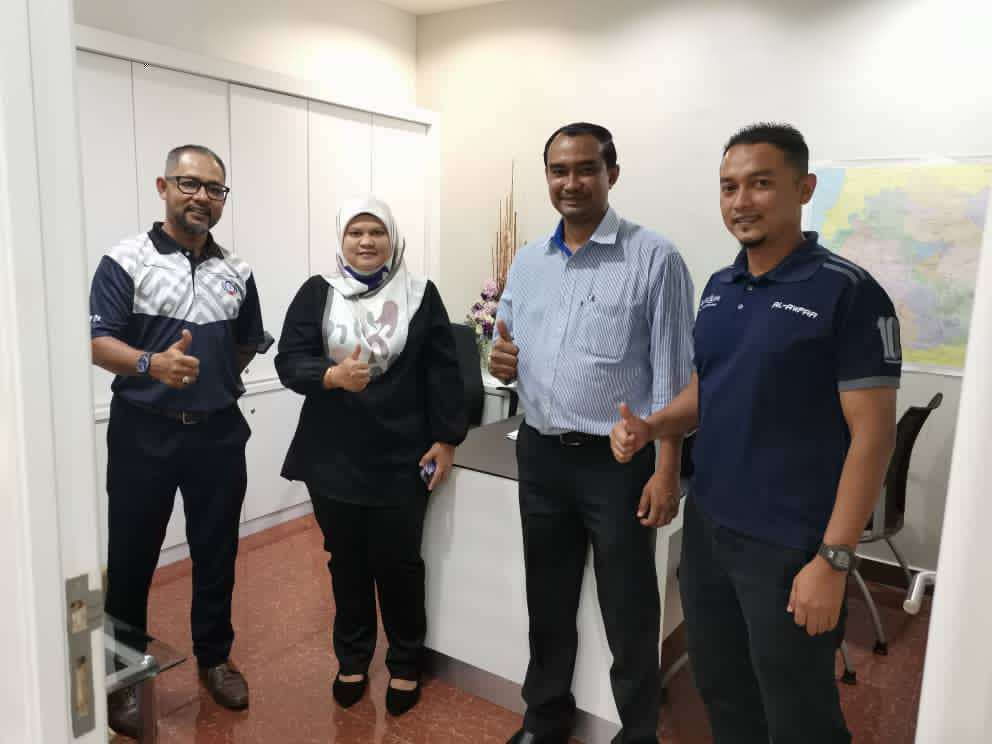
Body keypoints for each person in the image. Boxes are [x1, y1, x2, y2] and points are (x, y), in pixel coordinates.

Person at [611, 123, 901, 744]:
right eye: (729, 187)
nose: (741, 201)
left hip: (791, 545)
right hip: (710, 532)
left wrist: (834, 559)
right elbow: (707, 388)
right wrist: (656, 425)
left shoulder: (848, 292)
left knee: (798, 714)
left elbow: (874, 437)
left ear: (804, 188)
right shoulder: (720, 288)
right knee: (723, 692)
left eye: (761, 184)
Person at [490, 122, 695, 744]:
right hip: (541, 453)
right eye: (559, 170)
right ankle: (545, 717)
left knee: (628, 609)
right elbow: (505, 344)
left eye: (586, 169)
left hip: (617, 464)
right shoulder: (529, 261)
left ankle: (638, 732)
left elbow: (674, 380)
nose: (571, 182)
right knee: (547, 599)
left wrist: (666, 471)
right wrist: (501, 362)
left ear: (612, 174)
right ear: (547, 177)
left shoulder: (654, 259)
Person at [90, 145, 267, 737]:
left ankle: (215, 658)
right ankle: (124, 677)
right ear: (163, 187)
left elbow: (246, 342)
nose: (202, 197)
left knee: (217, 553)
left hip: (217, 435)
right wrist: (152, 364)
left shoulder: (237, 270)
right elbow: (96, 343)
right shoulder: (126, 260)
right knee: (132, 557)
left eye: (214, 189)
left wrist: (210, 381)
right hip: (143, 433)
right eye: (189, 184)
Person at [276, 195, 467, 716]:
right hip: (332, 456)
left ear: (392, 238)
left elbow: (443, 372)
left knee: (399, 563)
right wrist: (330, 376)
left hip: (403, 456)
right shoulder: (318, 292)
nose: (366, 241)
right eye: (355, 233)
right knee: (347, 562)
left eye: (376, 232)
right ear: (341, 239)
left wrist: (447, 438)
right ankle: (353, 657)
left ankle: (405, 661)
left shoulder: (420, 294)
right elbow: (289, 361)